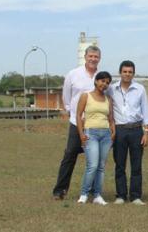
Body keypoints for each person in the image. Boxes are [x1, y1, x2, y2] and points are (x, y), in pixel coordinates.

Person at [52, 45, 101, 200]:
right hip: (77, 122)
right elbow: (66, 97)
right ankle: (60, 190)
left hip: (94, 124)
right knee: (70, 155)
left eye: (96, 56)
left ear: (99, 58)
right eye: (91, 56)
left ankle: (93, 191)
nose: (93, 59)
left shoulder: (101, 76)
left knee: (94, 158)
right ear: (85, 57)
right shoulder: (73, 74)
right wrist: (71, 112)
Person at [108, 60, 148, 205]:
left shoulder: (140, 89)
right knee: (119, 164)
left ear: (133, 73)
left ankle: (135, 196)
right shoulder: (111, 89)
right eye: (125, 71)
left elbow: (146, 111)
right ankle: (120, 195)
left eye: (130, 72)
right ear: (120, 72)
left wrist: (146, 133)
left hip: (136, 130)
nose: (127, 74)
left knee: (136, 164)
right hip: (119, 131)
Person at [76, 71, 115, 205]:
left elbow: (110, 118)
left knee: (101, 167)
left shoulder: (108, 99)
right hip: (90, 133)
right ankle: (84, 194)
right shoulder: (86, 96)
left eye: (107, 82)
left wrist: (113, 130)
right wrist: (81, 134)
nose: (104, 84)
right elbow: (78, 115)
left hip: (105, 135)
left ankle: (97, 195)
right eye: (102, 81)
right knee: (92, 165)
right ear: (96, 81)